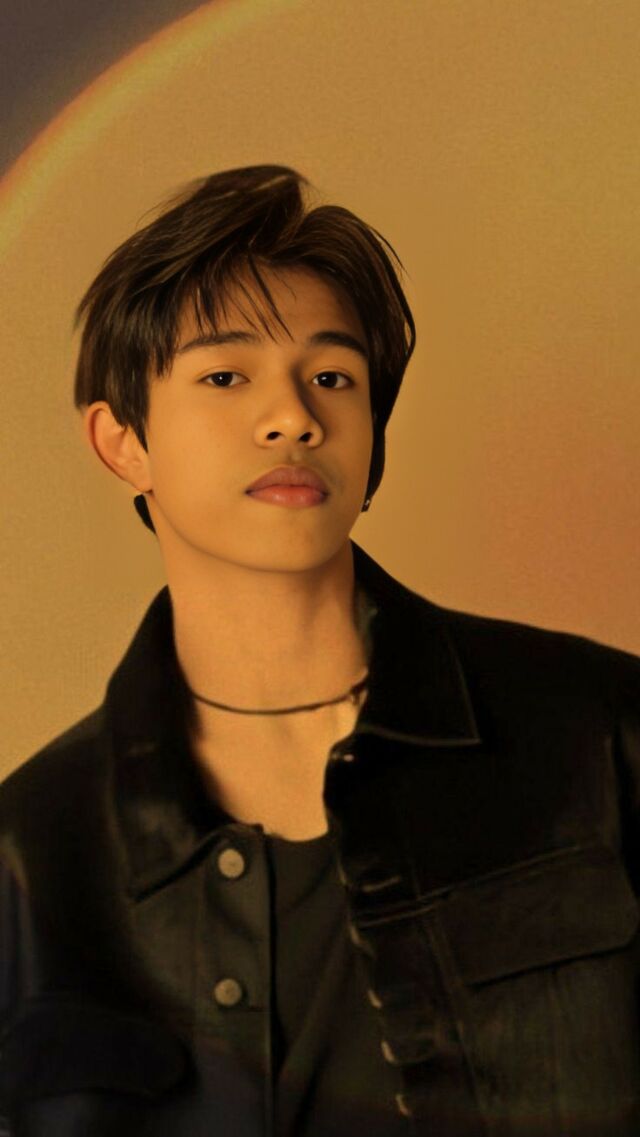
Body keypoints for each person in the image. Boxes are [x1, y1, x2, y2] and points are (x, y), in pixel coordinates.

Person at [1, 164, 639, 1137]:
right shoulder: (31, 848)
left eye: (332, 377)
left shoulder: (602, 734)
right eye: (226, 376)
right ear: (122, 441)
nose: (295, 415)